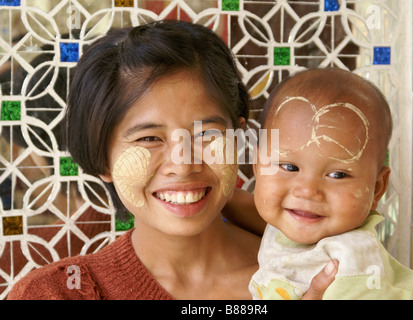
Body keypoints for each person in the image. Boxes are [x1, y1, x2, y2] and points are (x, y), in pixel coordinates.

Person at [7, 20, 337, 300]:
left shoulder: (326, 276)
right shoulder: (53, 293)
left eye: (207, 133)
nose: (183, 163)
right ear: (103, 159)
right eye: (149, 138)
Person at [249, 68, 413, 300]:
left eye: (338, 175)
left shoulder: (352, 268)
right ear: (258, 168)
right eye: (290, 167)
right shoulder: (287, 220)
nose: (308, 191)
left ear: (377, 188)